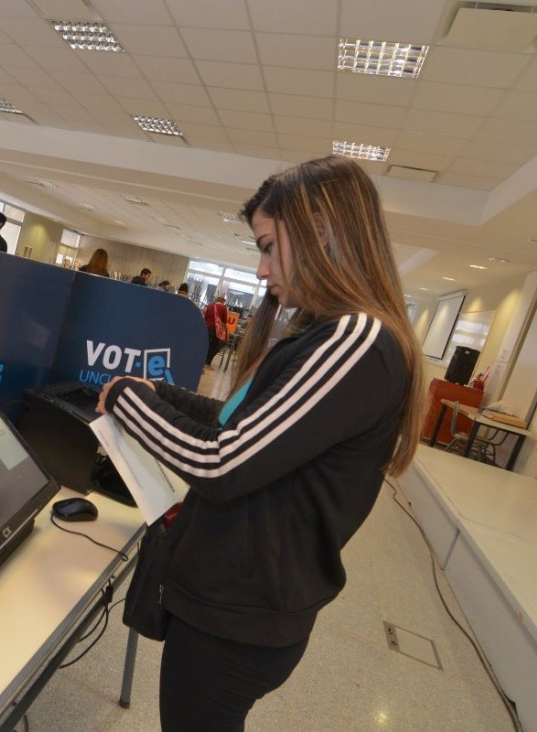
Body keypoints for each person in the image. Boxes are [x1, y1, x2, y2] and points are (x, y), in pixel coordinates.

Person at [96, 155, 423, 731]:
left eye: (269, 246)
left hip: (239, 620)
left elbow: (221, 461)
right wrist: (160, 393)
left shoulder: (355, 338)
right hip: (239, 608)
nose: (261, 269)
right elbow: (238, 421)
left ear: (320, 231)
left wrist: (126, 398)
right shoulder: (333, 332)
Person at [202, 295, 229, 366]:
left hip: (207, 328)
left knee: (206, 344)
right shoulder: (223, 308)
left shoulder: (210, 306)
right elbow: (225, 321)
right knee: (215, 346)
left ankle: (203, 359)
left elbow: (205, 318)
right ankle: (208, 362)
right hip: (216, 330)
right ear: (222, 302)